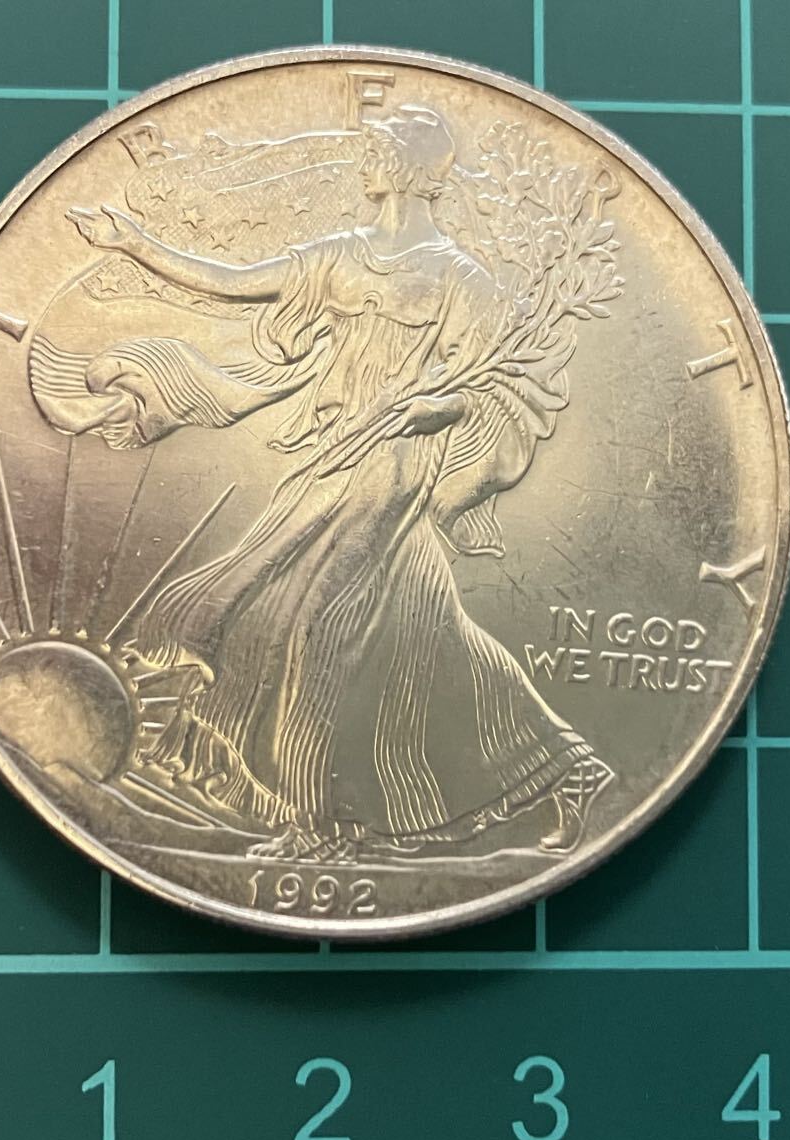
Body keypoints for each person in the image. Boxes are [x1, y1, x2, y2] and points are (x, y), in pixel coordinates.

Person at [63, 105, 612, 861]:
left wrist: (435, 408)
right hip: (331, 454)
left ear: (411, 168)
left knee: (317, 627)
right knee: (419, 630)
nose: (365, 162)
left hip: (394, 463)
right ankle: (565, 768)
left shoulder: (461, 277)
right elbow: (236, 284)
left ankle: (314, 824)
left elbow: (493, 387)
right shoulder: (339, 255)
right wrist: (133, 242)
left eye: (377, 151)